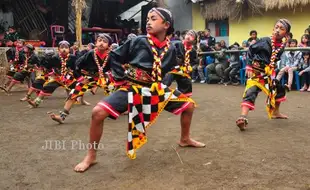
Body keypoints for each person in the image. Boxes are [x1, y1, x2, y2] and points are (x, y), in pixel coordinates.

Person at [74, 7, 205, 173]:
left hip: (155, 89)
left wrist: (165, 83)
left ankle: (185, 139)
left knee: (189, 106)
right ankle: (91, 156)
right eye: (147, 19)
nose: (148, 22)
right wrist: (121, 78)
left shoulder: (171, 48)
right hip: (132, 87)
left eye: (153, 19)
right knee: (97, 112)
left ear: (166, 24)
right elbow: (115, 56)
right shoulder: (138, 41)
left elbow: (169, 70)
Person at [236, 19, 291, 131]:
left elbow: (275, 59)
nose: (277, 30)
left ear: (286, 34)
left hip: (269, 74)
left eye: (281, 29)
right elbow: (250, 50)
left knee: (279, 89)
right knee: (251, 91)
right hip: (257, 72)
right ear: (273, 29)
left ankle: (276, 112)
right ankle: (242, 117)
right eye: (276, 27)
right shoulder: (265, 40)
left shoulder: (281, 47)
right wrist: (249, 66)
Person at [48, 34, 113, 124]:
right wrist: (81, 75)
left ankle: (123, 109)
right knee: (74, 92)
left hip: (106, 78)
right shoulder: (91, 54)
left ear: (108, 46)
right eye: (99, 40)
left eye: (104, 41)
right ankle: (62, 116)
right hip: (91, 78)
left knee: (117, 92)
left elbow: (116, 68)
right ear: (96, 43)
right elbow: (78, 64)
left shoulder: (111, 55)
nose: (101, 43)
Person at [27, 41, 77, 108]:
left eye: (66, 47)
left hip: (68, 77)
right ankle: (36, 102)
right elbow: (48, 66)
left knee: (76, 87)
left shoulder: (72, 57)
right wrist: (45, 60)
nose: (64, 49)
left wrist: (74, 73)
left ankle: (75, 101)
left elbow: (75, 67)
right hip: (57, 77)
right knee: (46, 88)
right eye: (62, 47)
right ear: (58, 49)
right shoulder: (55, 57)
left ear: (69, 49)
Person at [163, 30, 198, 97]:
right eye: (188, 34)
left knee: (187, 83)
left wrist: (189, 66)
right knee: (166, 80)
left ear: (194, 40)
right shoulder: (177, 43)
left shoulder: (193, 51)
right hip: (172, 67)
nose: (189, 36)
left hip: (183, 69)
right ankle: (159, 94)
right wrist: (175, 60)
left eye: (192, 36)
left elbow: (193, 61)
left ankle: (182, 96)